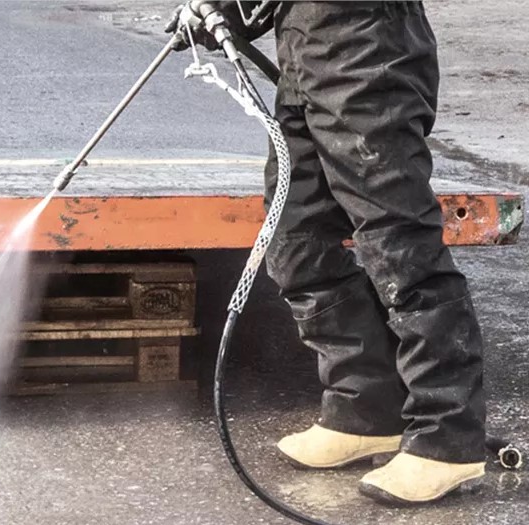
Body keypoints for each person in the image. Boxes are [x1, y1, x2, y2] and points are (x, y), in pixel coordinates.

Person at [170, 1, 489, 505]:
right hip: (306, 51)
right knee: (297, 238)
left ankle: (448, 439)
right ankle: (365, 408)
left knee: (398, 248)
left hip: (369, 54)